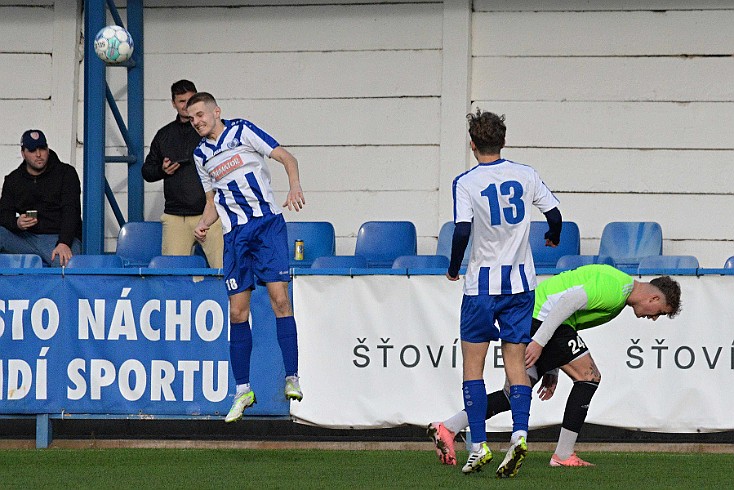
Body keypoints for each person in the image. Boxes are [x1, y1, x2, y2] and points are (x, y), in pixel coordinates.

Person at [429, 264, 682, 467]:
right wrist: (539, 341)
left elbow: (567, 316)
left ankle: (448, 427)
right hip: (539, 319)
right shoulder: (616, 289)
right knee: (589, 376)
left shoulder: (619, 291)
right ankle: (563, 454)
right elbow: (566, 303)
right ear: (654, 296)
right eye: (659, 311)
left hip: (537, 318)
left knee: (514, 394)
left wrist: (551, 367)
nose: (654, 317)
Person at [444, 109, 562, 478]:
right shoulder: (526, 175)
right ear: (503, 141)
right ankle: (520, 433)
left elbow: (462, 230)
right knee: (516, 364)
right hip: (521, 285)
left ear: (472, 144)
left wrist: (453, 267)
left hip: (481, 286)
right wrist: (553, 235)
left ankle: (478, 445)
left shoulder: (466, 182)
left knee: (473, 368)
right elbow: (555, 212)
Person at [186, 92, 306, 423]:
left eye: (200, 114)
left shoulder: (242, 131)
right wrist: (203, 223)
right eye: (192, 118)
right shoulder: (200, 155)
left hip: (266, 226)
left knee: (280, 299)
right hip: (235, 236)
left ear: (216, 111)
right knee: (237, 313)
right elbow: (212, 201)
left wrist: (294, 187)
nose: (197, 121)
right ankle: (242, 390)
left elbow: (287, 158)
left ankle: (292, 377)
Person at [142, 80, 223, 268]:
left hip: (211, 214)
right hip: (176, 217)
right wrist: (162, 170)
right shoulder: (164, 134)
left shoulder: (209, 130)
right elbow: (147, 171)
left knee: (224, 271)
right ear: (173, 103)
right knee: (172, 277)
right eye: (181, 101)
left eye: (190, 100)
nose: (186, 106)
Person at [0, 130, 82, 267]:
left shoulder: (66, 173)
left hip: (58, 238)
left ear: (48, 149)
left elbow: (71, 211)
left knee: (66, 264)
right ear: (23, 153)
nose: (38, 155)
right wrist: (17, 223)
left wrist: (64, 243)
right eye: (32, 150)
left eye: (42, 149)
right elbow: (3, 213)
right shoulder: (13, 180)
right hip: (25, 238)